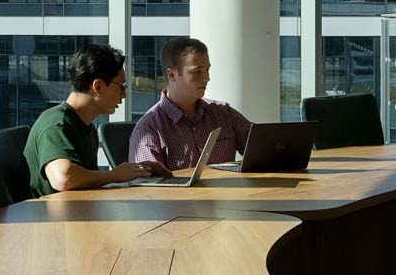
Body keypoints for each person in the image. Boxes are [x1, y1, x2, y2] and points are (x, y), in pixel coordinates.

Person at [24, 43, 167, 196]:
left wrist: (137, 171)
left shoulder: (86, 128)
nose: (124, 95)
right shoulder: (56, 124)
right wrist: (115, 176)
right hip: (51, 218)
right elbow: (64, 178)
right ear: (98, 87)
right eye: (122, 86)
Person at [127, 36, 254, 172]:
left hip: (233, 192)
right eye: (197, 71)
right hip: (179, 194)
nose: (207, 77)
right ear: (172, 75)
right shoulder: (149, 129)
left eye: (207, 70)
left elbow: (263, 149)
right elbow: (148, 187)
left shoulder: (224, 113)